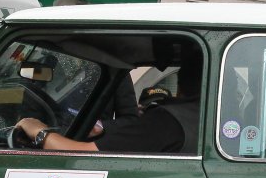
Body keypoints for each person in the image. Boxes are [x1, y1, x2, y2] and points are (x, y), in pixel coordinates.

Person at [17, 56, 200, 154]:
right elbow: (31, 106)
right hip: (50, 143)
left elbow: (129, 118)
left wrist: (102, 127)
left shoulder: (112, 70)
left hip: (92, 150)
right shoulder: (45, 65)